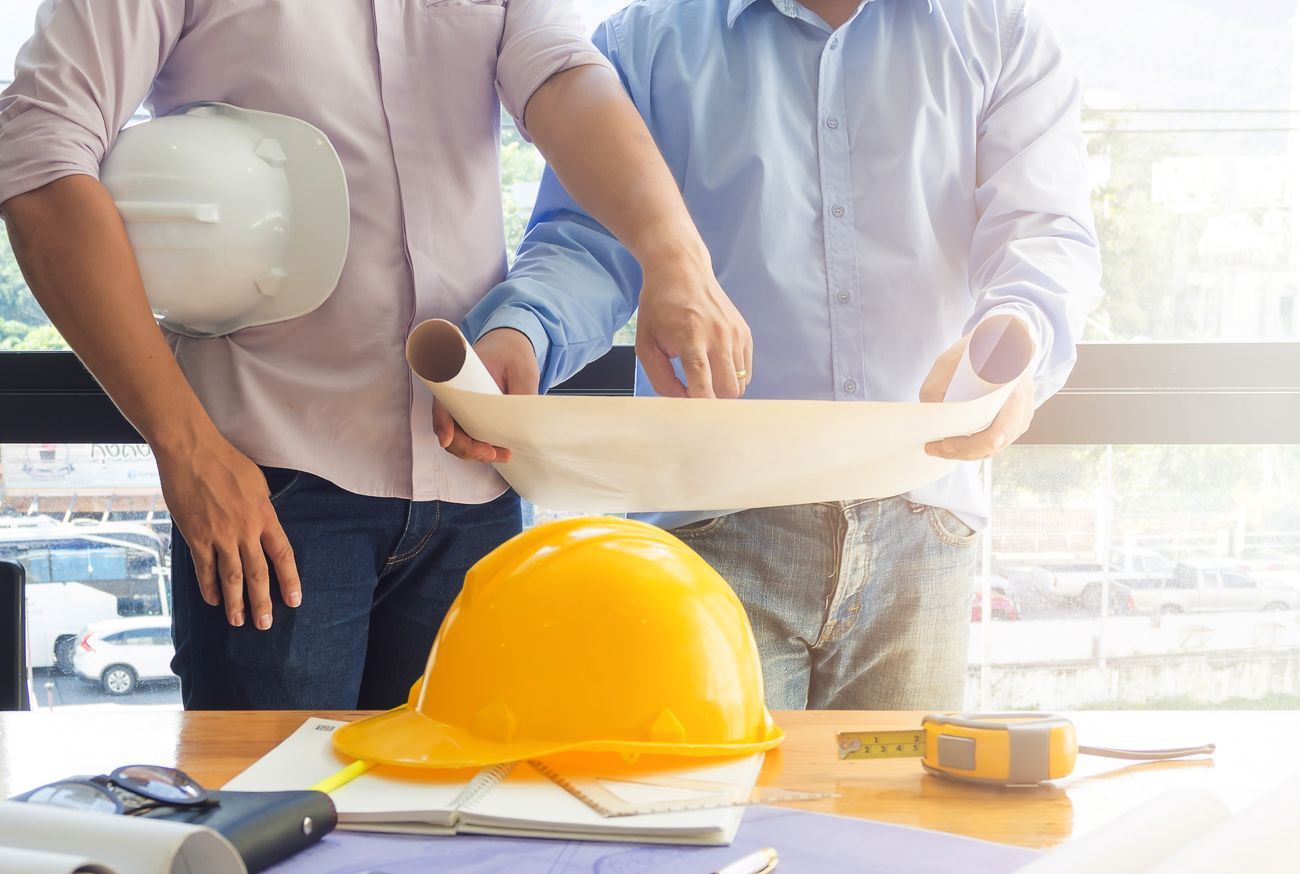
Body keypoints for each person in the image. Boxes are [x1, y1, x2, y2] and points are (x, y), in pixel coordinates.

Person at [0, 1, 750, 710]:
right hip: (269, 491)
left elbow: (560, 77)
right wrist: (183, 447)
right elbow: (43, 156)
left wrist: (671, 252)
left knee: (454, 825)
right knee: (274, 825)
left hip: (472, 483)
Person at [447, 0, 1100, 709]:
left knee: (897, 814)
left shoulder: (999, 32)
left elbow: (1044, 230)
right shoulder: (643, 43)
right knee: (719, 810)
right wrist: (524, 330)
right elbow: (587, 242)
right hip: (712, 522)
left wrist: (1020, 329)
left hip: (923, 522)